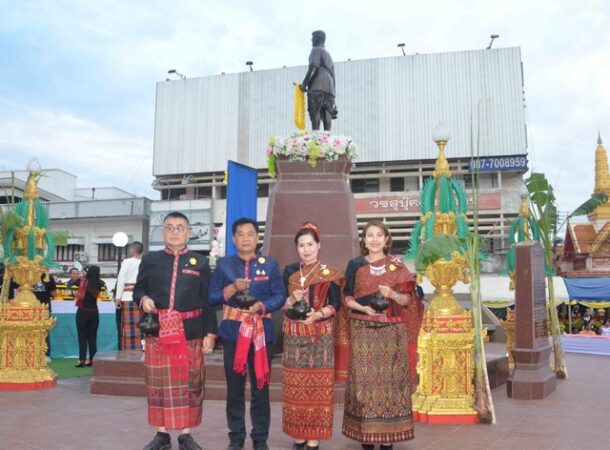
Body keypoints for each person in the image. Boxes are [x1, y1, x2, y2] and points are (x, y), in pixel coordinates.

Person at [134, 212, 217, 450]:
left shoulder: (200, 262)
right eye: (169, 227)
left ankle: (185, 435)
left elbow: (208, 301)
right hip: (158, 331)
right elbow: (138, 291)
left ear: (188, 232)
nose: (174, 231)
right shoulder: (150, 260)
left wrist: (210, 334)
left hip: (191, 331)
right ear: (163, 232)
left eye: (180, 227)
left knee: (189, 385)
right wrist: (145, 299)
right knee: (158, 385)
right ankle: (161, 435)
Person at [209, 217, 285, 450]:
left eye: (250, 233)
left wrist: (261, 307)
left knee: (261, 388)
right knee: (234, 389)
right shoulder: (224, 265)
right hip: (233, 334)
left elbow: (280, 296)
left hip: (262, 334)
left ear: (257, 237)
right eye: (240, 234)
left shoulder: (270, 264)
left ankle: (260, 438)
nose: (245, 238)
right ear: (233, 239)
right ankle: (236, 437)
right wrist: (232, 288)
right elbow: (211, 297)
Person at [342, 220, 416, 449]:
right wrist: (363, 308)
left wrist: (392, 293)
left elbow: (407, 300)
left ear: (386, 239)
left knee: (391, 385)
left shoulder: (397, 266)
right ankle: (366, 436)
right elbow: (346, 297)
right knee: (364, 386)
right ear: (364, 240)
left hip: (391, 334)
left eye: (378, 235)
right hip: (363, 331)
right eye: (369, 235)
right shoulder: (355, 265)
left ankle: (388, 439)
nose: (374, 239)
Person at [281, 223, 343, 450]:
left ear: (318, 245)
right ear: (296, 248)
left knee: (318, 387)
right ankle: (298, 437)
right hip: (294, 337)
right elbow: (282, 304)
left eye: (310, 244)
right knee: (294, 387)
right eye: (301, 245)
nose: (306, 250)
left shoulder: (330, 273)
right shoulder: (289, 272)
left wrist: (318, 314)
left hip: (320, 338)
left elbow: (336, 304)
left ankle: (314, 439)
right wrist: (291, 299)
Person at [300, 30, 336, 131]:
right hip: (330, 88)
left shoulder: (315, 50)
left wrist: (304, 84)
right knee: (327, 113)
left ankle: (315, 139)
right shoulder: (329, 56)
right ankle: (327, 139)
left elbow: (313, 67)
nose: (311, 40)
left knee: (315, 111)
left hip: (317, 84)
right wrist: (334, 95)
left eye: (312, 37)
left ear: (317, 39)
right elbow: (334, 77)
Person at [115, 241, 144, 351]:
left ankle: (128, 350)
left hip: (127, 296)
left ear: (133, 250)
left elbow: (121, 279)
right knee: (139, 325)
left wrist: (118, 297)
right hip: (140, 297)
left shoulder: (127, 262)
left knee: (127, 326)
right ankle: (139, 348)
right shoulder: (143, 262)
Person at [75, 265, 104, 368]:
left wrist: (82, 276)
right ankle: (92, 359)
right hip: (94, 312)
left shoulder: (84, 282)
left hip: (83, 311)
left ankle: (81, 359)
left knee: (82, 336)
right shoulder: (100, 283)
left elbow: (78, 294)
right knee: (93, 337)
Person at [33, 272, 57, 358]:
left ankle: (37, 353)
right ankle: (46, 354)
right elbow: (53, 293)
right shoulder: (49, 277)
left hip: (33, 308)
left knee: (35, 331)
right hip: (43, 308)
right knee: (45, 332)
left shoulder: (31, 275)